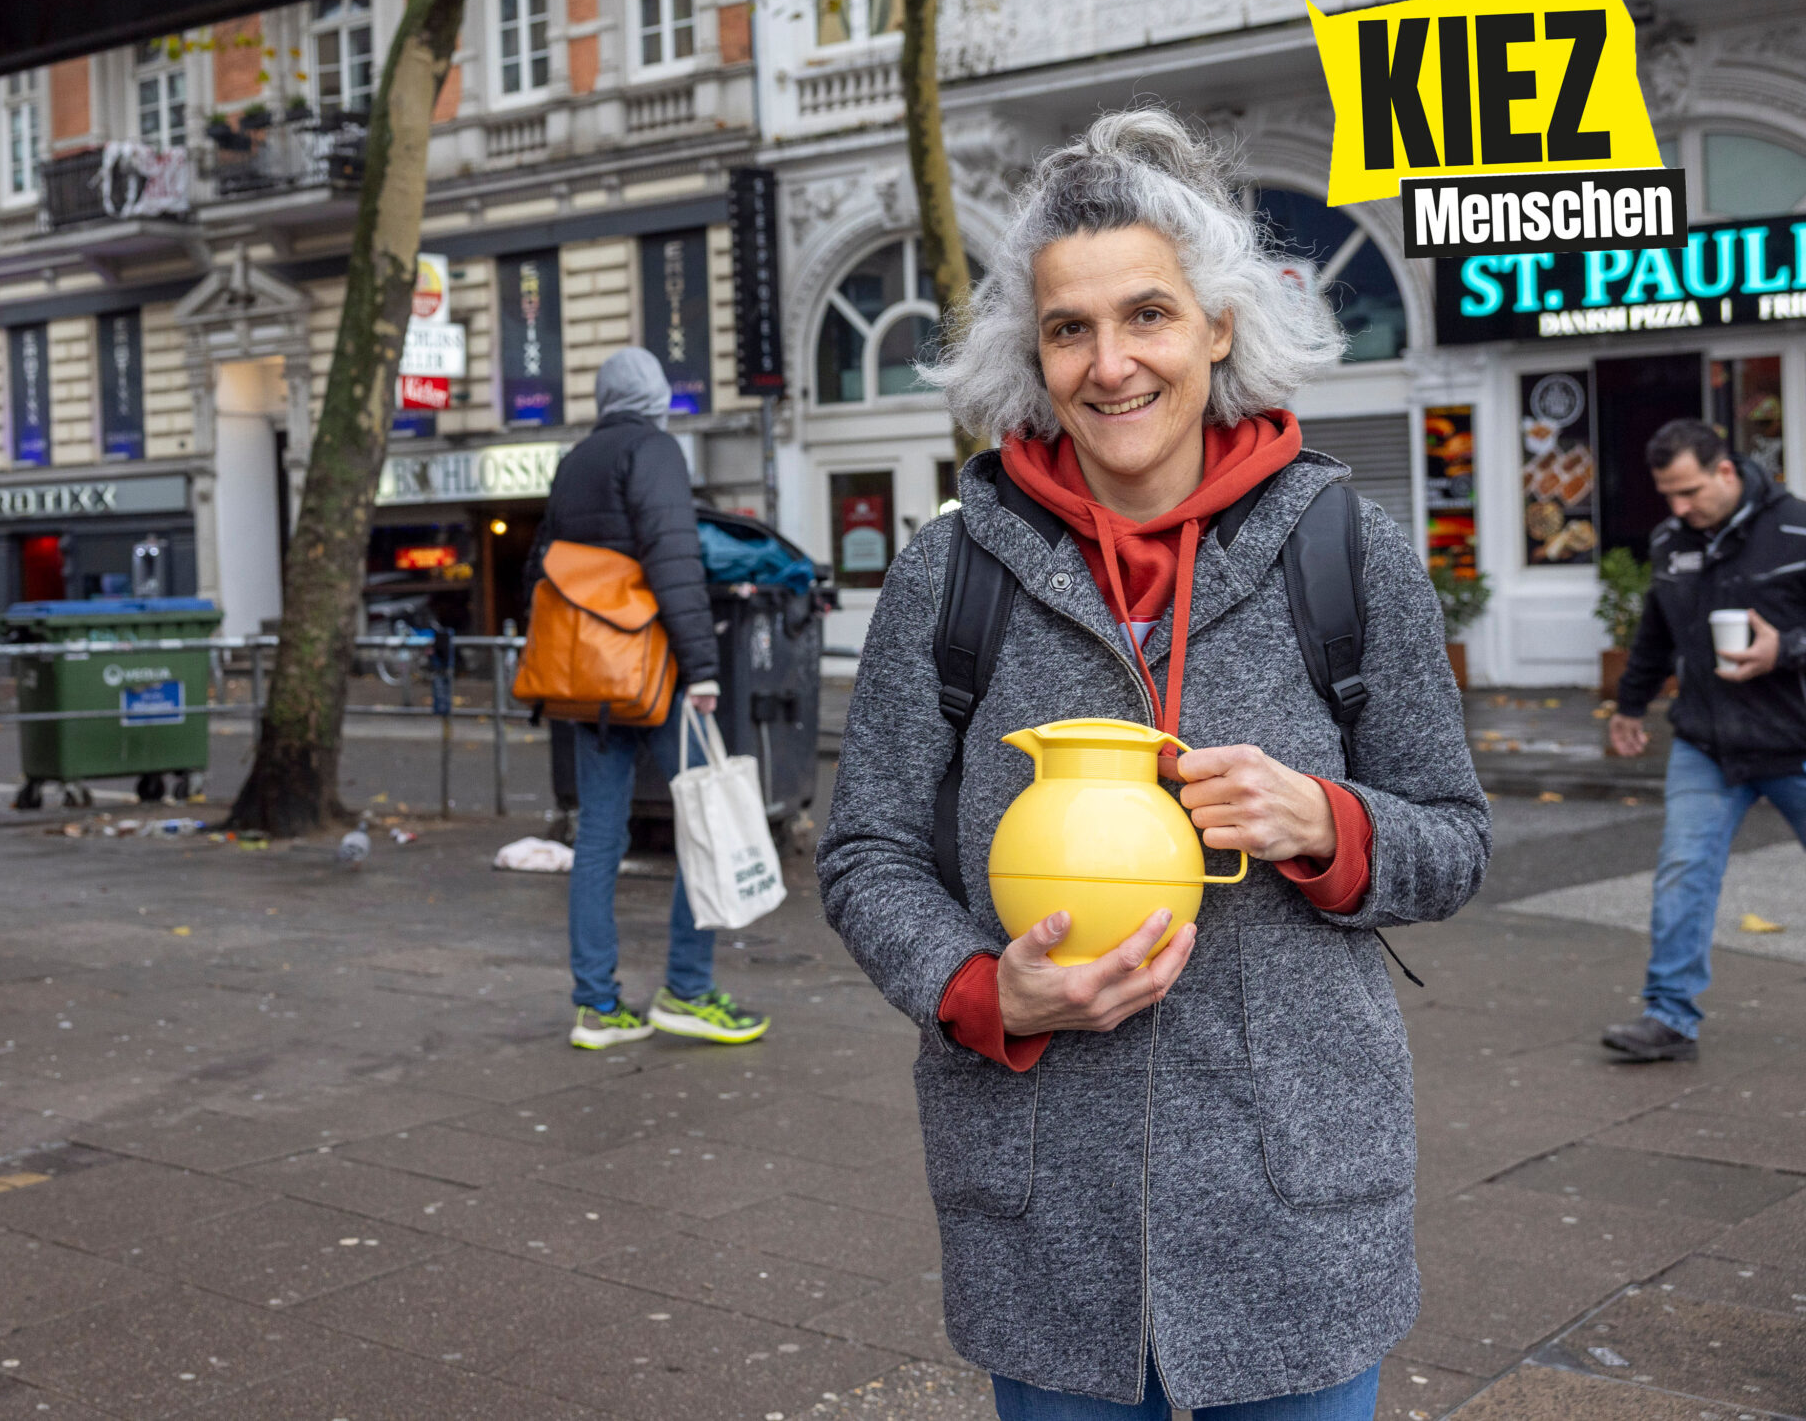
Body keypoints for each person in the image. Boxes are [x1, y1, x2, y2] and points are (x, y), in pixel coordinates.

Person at [816, 109, 1488, 1418]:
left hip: (1297, 1208)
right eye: (1070, 329)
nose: (1111, 364)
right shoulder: (947, 574)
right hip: (1045, 1219)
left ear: (1220, 325)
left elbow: (1454, 838)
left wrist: (1327, 822)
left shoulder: (1347, 552)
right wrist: (978, 991)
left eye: (1149, 316)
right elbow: (867, 851)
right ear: (1034, 351)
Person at [527, 347, 768, 1050]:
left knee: (598, 836)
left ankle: (597, 1005)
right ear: (655, 395)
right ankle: (687, 990)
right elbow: (673, 556)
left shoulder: (575, 462)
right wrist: (702, 667)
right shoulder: (654, 450)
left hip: (591, 684)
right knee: (703, 821)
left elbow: (542, 566)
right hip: (656, 672)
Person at [1602, 419, 1806, 1063]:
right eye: (1668, 495)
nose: (1679, 508)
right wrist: (1630, 703)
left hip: (1804, 744)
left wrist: (1786, 648)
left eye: (1690, 491)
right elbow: (1656, 628)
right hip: (1706, 744)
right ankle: (1668, 1016)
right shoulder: (1672, 540)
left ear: (1726, 471)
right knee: (1683, 873)